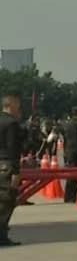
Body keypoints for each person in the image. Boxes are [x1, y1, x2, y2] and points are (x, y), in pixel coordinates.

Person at [0, 93, 25, 246]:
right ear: (10, 105)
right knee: (6, 202)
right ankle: (2, 236)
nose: (19, 109)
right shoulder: (11, 124)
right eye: (18, 106)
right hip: (6, 165)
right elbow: (13, 149)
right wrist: (16, 171)